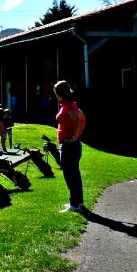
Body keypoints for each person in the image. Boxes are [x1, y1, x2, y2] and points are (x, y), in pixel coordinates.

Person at [54, 80, 87, 213]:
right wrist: (77, 136)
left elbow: (78, 119)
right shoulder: (72, 104)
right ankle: (78, 202)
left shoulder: (67, 105)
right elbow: (82, 118)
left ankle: (74, 204)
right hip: (73, 145)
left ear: (59, 93)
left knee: (69, 174)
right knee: (74, 173)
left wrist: (74, 136)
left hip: (69, 146)